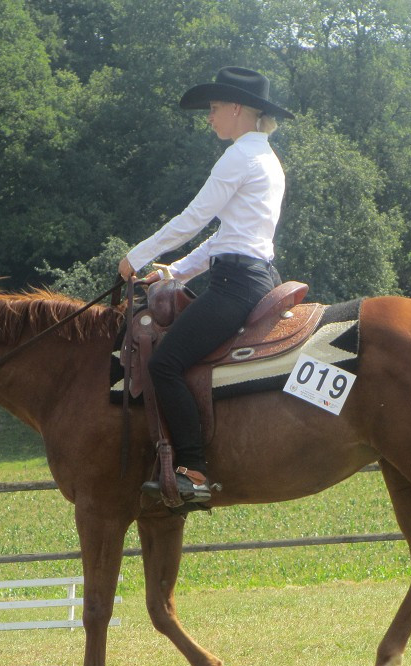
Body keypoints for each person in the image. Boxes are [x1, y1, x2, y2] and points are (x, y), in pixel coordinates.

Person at [117, 66, 294, 504]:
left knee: (165, 364)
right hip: (247, 275)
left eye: (214, 108)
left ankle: (192, 468)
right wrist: (175, 272)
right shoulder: (265, 158)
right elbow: (222, 236)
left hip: (236, 284)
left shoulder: (239, 157)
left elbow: (193, 219)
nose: (210, 117)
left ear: (237, 108)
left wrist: (135, 257)